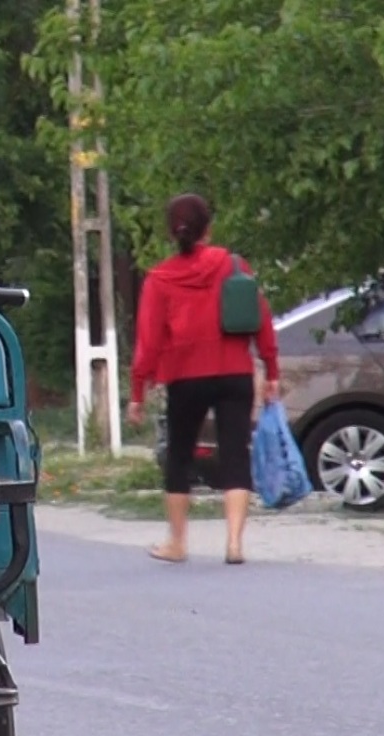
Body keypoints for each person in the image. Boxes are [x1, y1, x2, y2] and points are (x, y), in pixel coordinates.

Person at [126, 192, 279, 565]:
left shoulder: (160, 278)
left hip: (185, 376)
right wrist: (271, 370)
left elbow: (149, 340)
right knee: (235, 453)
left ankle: (177, 543)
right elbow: (260, 318)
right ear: (208, 229)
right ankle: (234, 544)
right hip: (235, 371)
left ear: (172, 233)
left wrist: (138, 392)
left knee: (179, 455)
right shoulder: (234, 266)